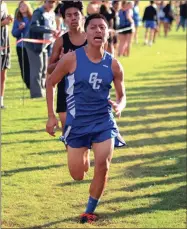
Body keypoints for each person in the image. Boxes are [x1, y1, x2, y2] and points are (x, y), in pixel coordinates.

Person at [46, 13, 126, 224]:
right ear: (86, 33)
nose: (98, 30)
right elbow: (50, 82)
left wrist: (120, 105)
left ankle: (89, 211)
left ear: (107, 34)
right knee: (77, 175)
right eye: (94, 27)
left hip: (103, 121)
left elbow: (122, 95)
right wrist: (51, 116)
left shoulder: (114, 64)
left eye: (102, 27)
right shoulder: (71, 59)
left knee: (104, 165)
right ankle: (84, 154)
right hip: (77, 124)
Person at [47, 1, 87, 130]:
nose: (73, 18)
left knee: (87, 141)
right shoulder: (60, 42)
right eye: (69, 15)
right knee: (69, 139)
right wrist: (62, 61)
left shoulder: (92, 40)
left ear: (82, 17)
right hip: (65, 93)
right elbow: (49, 69)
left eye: (76, 14)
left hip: (87, 93)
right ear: (64, 20)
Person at [25, 0, 59, 99]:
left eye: (53, 2)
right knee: (37, 69)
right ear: (45, 2)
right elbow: (34, 27)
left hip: (45, 45)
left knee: (44, 69)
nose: (51, 4)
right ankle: (36, 94)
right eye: (49, 2)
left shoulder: (52, 13)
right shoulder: (38, 12)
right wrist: (50, 30)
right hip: (34, 45)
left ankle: (43, 91)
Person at [12, 0, 32, 89]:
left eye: (24, 6)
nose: (22, 8)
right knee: (24, 67)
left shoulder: (32, 19)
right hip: (21, 47)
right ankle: (28, 83)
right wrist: (19, 29)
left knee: (32, 66)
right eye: (20, 6)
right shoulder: (17, 20)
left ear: (28, 7)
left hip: (32, 47)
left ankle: (34, 85)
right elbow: (14, 33)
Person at [0, 1, 13, 109]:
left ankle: (1, 101)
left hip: (5, 43)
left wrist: (9, 18)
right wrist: (3, 22)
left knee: (3, 75)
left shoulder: (4, 4)